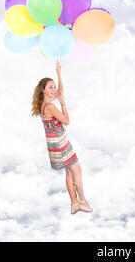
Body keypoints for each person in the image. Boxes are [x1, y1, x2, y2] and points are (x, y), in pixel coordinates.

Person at [31, 60, 93, 214]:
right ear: (43, 90)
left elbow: (60, 92)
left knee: (69, 172)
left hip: (54, 144)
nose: (54, 90)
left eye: (54, 87)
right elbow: (67, 121)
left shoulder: (43, 104)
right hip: (61, 144)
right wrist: (64, 104)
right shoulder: (51, 107)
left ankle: (74, 204)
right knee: (76, 170)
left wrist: (58, 72)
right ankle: (83, 202)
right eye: (50, 87)